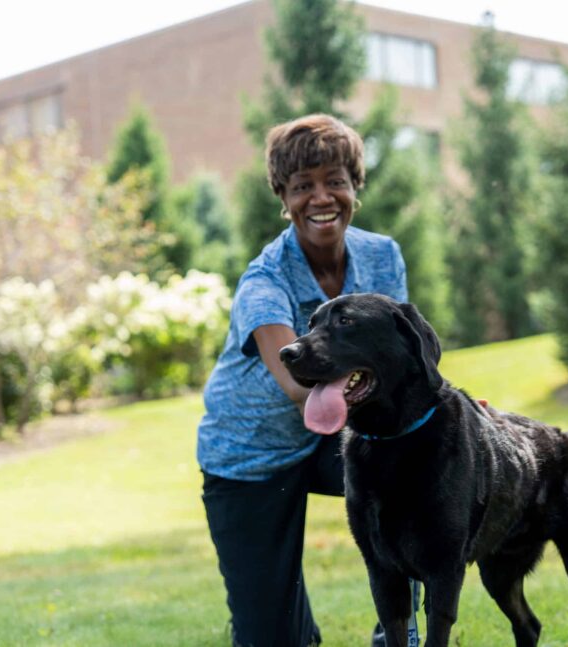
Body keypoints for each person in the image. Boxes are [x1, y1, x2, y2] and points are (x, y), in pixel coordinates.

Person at [197, 113, 408, 647]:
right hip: (249, 457)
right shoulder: (265, 281)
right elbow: (297, 387)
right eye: (302, 187)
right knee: (273, 638)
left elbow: (401, 359)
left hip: (337, 434)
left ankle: (399, 633)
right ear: (283, 197)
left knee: (414, 470)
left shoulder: (382, 257)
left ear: (354, 186)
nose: (321, 198)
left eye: (335, 181)